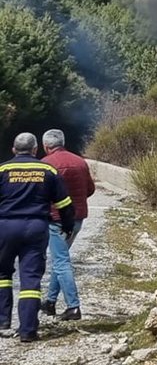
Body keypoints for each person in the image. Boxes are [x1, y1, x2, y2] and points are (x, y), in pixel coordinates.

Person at [0, 133, 74, 343]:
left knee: (2, 274)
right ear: (35, 150)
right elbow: (64, 205)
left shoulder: (2, 170)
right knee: (30, 278)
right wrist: (67, 227)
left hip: (5, 227)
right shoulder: (48, 171)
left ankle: (3, 321)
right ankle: (28, 331)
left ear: (14, 150)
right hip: (36, 227)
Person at [40, 128, 95, 321]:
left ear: (46, 146)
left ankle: (73, 307)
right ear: (63, 142)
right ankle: (50, 302)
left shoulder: (45, 164)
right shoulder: (80, 162)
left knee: (61, 262)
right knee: (60, 258)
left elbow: (40, 195)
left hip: (56, 220)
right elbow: (90, 189)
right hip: (78, 219)